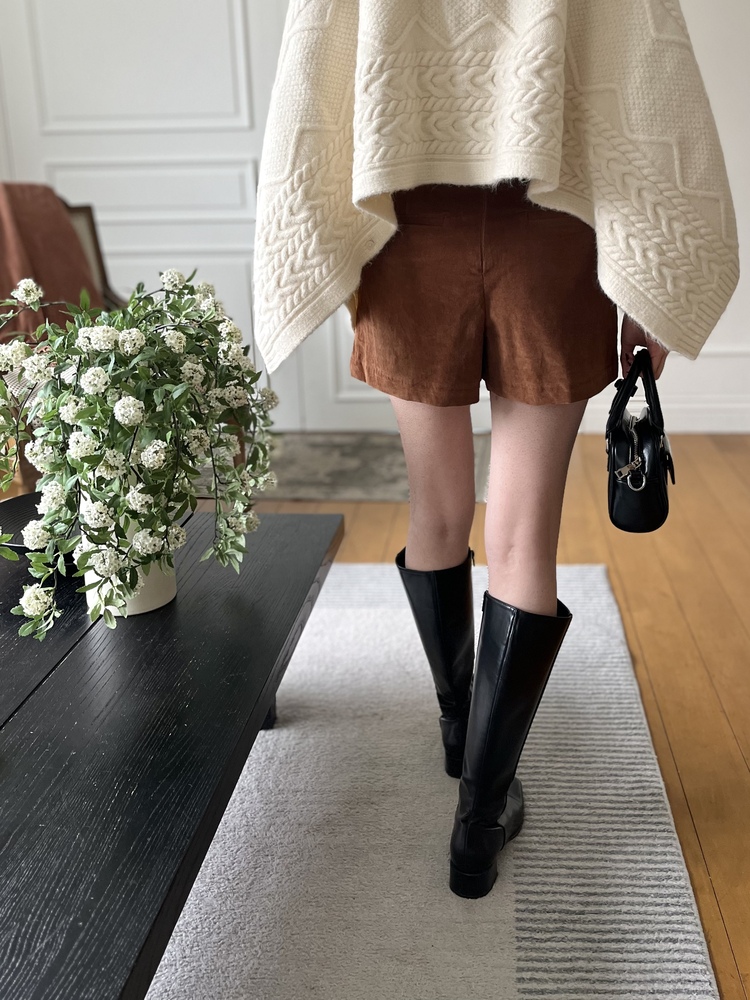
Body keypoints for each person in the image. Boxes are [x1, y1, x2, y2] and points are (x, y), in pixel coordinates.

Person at [253, 1, 739, 899]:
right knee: (523, 536)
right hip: (553, 217)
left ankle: (458, 729)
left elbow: (323, 40)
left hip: (407, 219)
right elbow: (644, 61)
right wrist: (649, 283)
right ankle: (478, 820)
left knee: (436, 507)